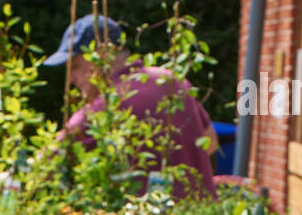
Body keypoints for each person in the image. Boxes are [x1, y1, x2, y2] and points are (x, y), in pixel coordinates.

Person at [44, 14, 218, 200]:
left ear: (100, 57)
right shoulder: (173, 81)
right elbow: (211, 142)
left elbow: (46, 164)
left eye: (75, 67)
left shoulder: (105, 106)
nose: (70, 78)